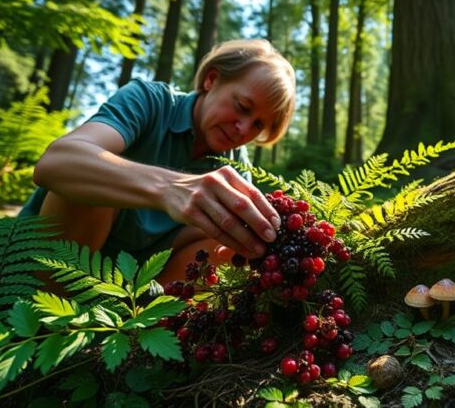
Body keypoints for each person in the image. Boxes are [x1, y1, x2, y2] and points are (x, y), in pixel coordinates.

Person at [22, 39, 296, 284]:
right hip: (36, 271)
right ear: (212, 79)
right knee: (89, 175)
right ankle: (47, 324)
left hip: (132, 290)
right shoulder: (150, 101)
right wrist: (171, 188)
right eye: (242, 106)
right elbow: (55, 163)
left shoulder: (234, 166)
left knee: (237, 234)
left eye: (258, 124)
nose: (243, 128)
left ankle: (140, 328)